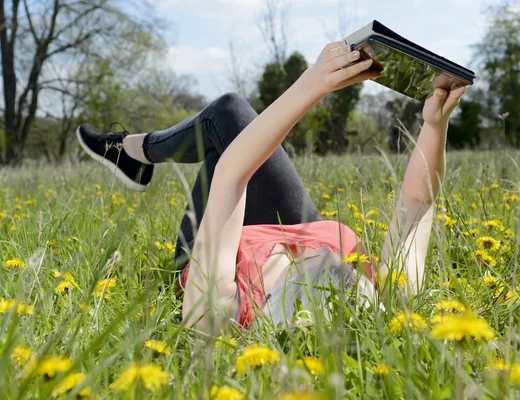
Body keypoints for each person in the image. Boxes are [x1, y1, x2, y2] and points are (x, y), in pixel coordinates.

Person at [76, 40, 466, 334]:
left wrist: (313, 84)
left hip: (216, 237)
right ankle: (134, 152)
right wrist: (435, 124)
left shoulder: (220, 307)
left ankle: (131, 151)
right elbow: (417, 201)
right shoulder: (385, 298)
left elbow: (232, 174)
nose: (350, 273)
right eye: (353, 283)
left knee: (227, 117)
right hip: (291, 228)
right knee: (230, 123)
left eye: (335, 291)